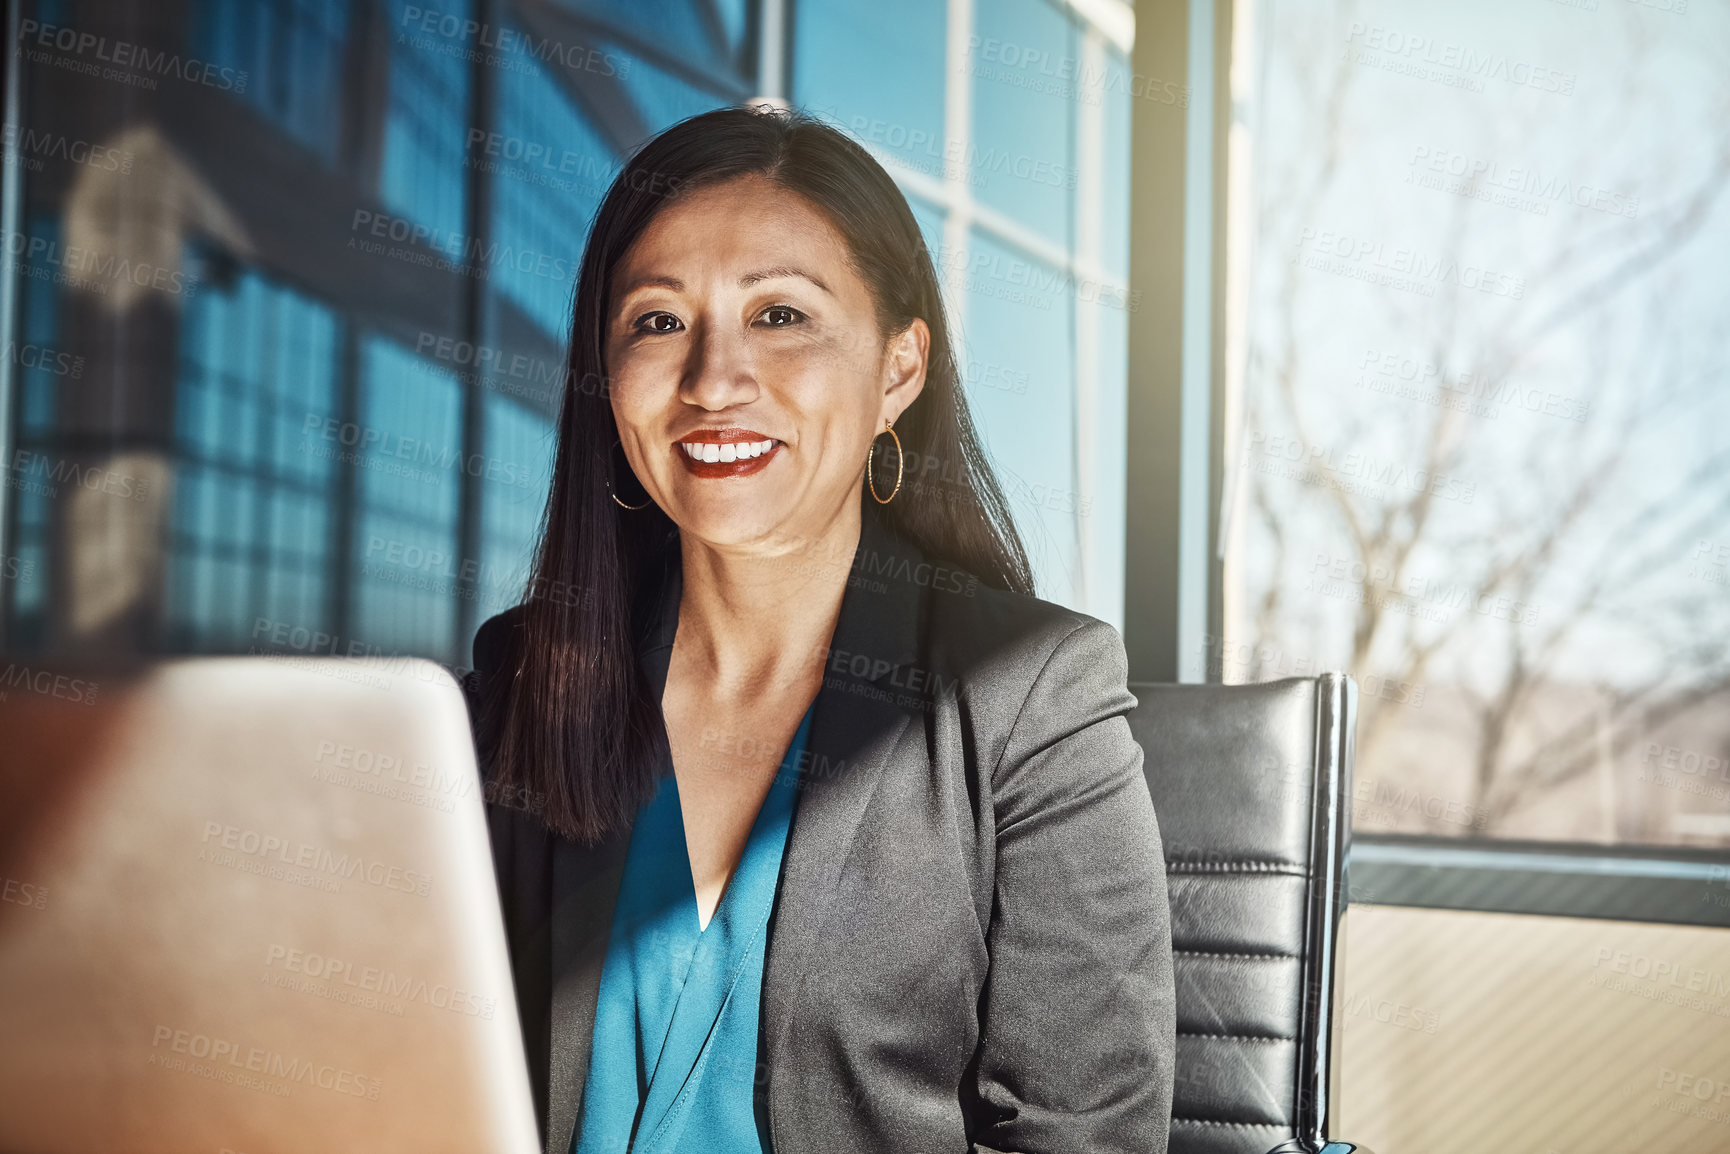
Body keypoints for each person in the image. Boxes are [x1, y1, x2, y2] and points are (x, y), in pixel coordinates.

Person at [462, 104, 1174, 1154]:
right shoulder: (524, 675)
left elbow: (1086, 1136)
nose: (712, 381)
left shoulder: (1031, 693)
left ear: (897, 368)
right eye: (658, 322)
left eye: (780, 315)